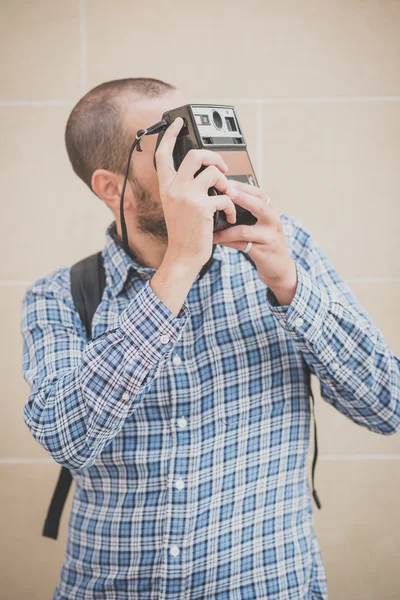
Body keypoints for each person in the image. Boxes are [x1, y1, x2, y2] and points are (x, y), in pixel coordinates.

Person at [21, 77, 400, 600]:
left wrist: (290, 286)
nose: (202, 162)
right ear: (111, 188)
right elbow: (67, 438)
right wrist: (177, 267)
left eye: (195, 133)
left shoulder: (286, 251)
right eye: (171, 145)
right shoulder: (58, 296)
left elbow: (388, 406)